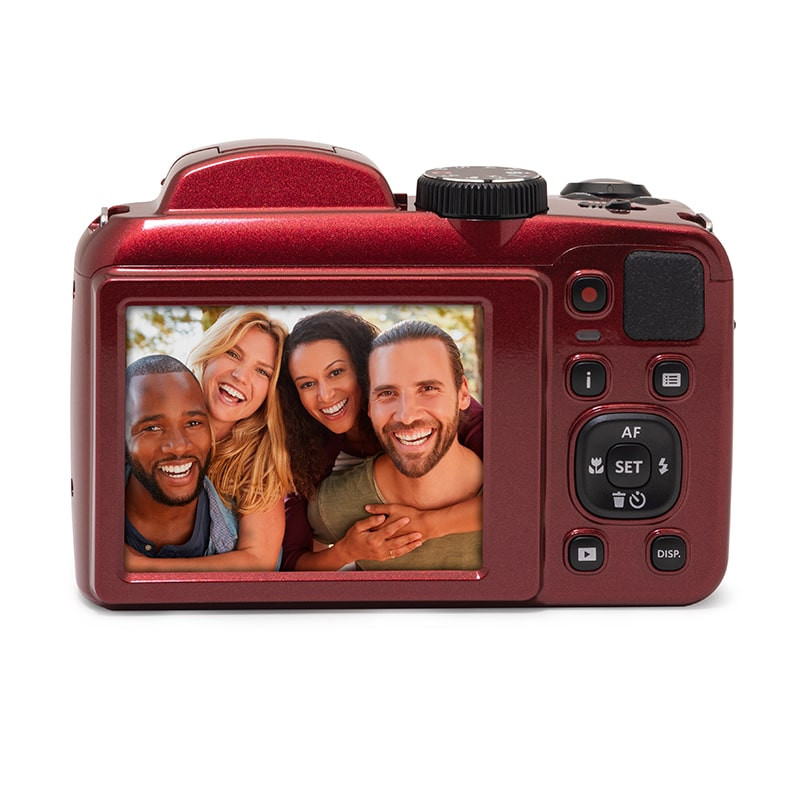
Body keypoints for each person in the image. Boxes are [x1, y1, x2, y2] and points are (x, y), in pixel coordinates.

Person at [279, 310, 483, 570]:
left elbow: (519, 494)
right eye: (307, 384)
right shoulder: (305, 454)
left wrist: (428, 524)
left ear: (365, 369)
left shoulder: (449, 410)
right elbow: (290, 564)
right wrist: (346, 551)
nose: (326, 395)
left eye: (336, 372)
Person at [124, 355, 239, 569]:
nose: (178, 447)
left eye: (193, 423)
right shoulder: (82, 523)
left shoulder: (242, 539)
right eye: (152, 428)